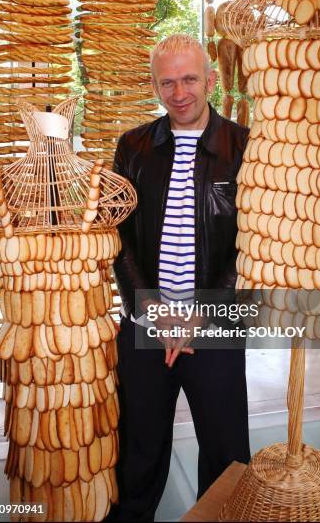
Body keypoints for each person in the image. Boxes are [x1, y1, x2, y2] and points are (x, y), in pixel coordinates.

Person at [111, 34, 250, 521]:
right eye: (166, 82)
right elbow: (119, 238)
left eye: (189, 79)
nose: (179, 92)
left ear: (210, 80)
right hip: (147, 324)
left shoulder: (245, 147)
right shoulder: (132, 147)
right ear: (154, 85)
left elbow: (254, 241)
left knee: (226, 454)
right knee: (137, 451)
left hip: (215, 327)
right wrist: (152, 309)